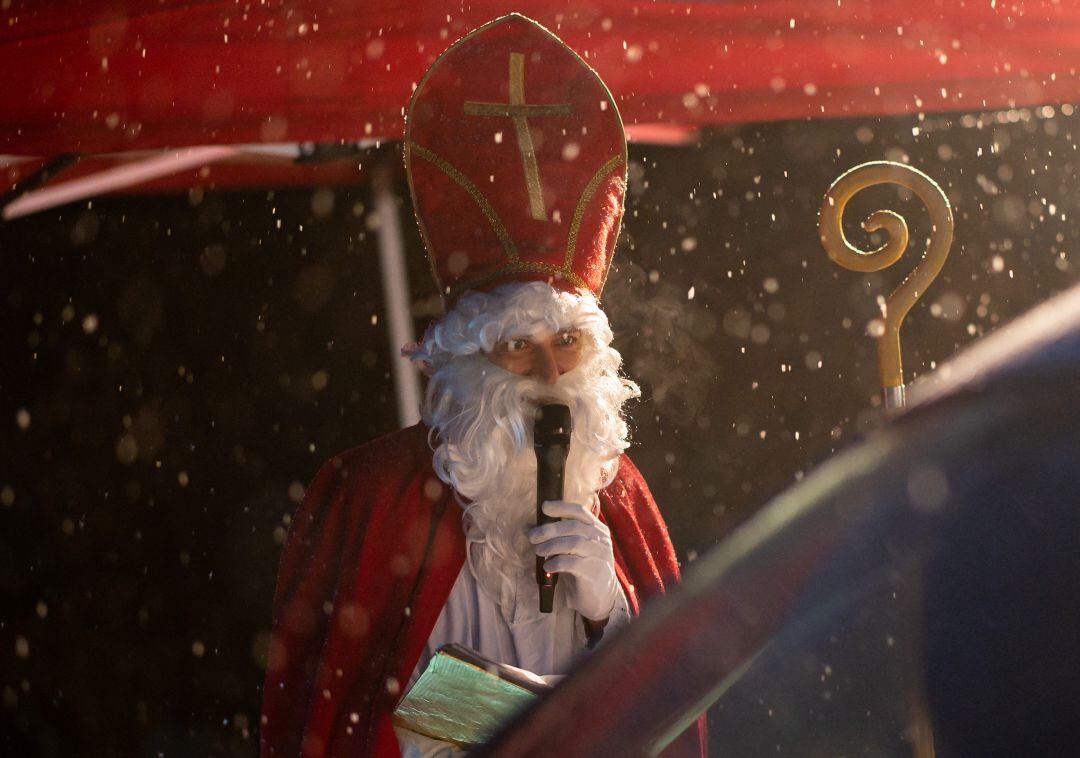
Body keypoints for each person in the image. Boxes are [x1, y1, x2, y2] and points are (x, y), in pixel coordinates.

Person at [260, 14, 705, 757]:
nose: (550, 373)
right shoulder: (374, 494)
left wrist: (611, 618)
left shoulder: (619, 496)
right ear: (468, 363)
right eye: (516, 346)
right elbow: (347, 712)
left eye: (566, 341)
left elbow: (666, 710)